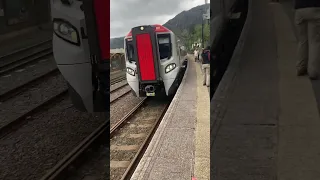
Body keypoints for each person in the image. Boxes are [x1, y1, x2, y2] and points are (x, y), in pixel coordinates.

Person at [295, 0, 320, 80]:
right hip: (315, 7)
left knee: (302, 40)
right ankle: (313, 71)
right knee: (314, 41)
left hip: (299, 9)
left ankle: (301, 67)